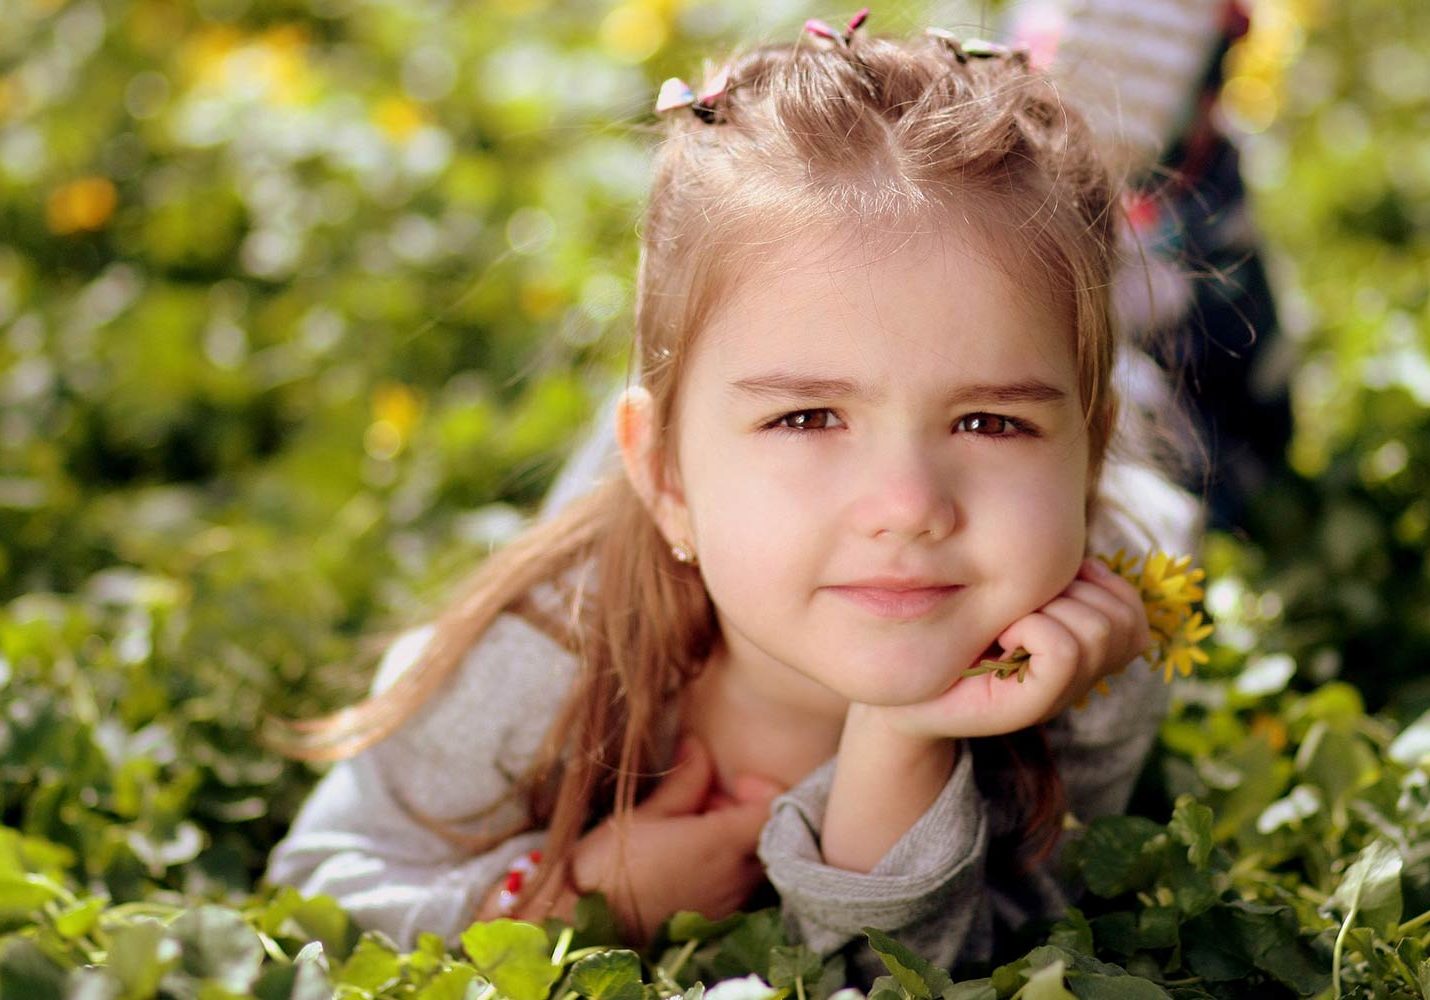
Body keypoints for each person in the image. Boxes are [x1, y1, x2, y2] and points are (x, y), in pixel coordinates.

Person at [263, 12, 1201, 984]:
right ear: (663, 479)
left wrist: (899, 737)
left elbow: (970, 959)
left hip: (1117, 436)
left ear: (1081, 460)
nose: (908, 505)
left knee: (1157, 377)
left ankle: (1115, 174)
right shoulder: (547, 647)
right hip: (675, 494)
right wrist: (575, 895)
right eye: (807, 419)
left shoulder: (1084, 658)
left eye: (987, 423)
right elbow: (318, 894)